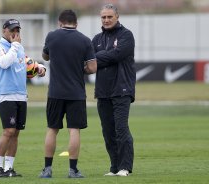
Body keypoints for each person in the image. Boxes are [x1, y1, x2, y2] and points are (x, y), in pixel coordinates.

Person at [39, 10, 97, 179]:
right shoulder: (85, 40)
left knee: (52, 129)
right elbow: (92, 68)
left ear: (60, 22)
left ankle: (47, 169)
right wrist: (81, 69)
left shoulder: (52, 36)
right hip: (76, 93)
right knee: (74, 130)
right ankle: (73, 170)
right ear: (76, 24)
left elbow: (45, 56)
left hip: (55, 92)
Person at [0, 18, 46, 178]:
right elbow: (4, 63)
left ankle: (9, 169)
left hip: (21, 95)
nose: (15, 33)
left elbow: (28, 64)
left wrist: (40, 68)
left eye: (17, 30)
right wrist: (15, 46)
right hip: (5, 94)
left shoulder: (18, 48)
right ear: (4, 31)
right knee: (8, 131)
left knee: (16, 133)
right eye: (12, 30)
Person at [92, 4, 136, 177]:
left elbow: (117, 55)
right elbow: (88, 62)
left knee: (121, 129)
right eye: (103, 17)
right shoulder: (96, 39)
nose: (106, 20)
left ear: (117, 17)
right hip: (102, 91)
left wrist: (97, 57)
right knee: (108, 132)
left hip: (122, 89)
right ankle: (114, 167)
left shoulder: (126, 35)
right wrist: (99, 58)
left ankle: (125, 168)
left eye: (109, 17)